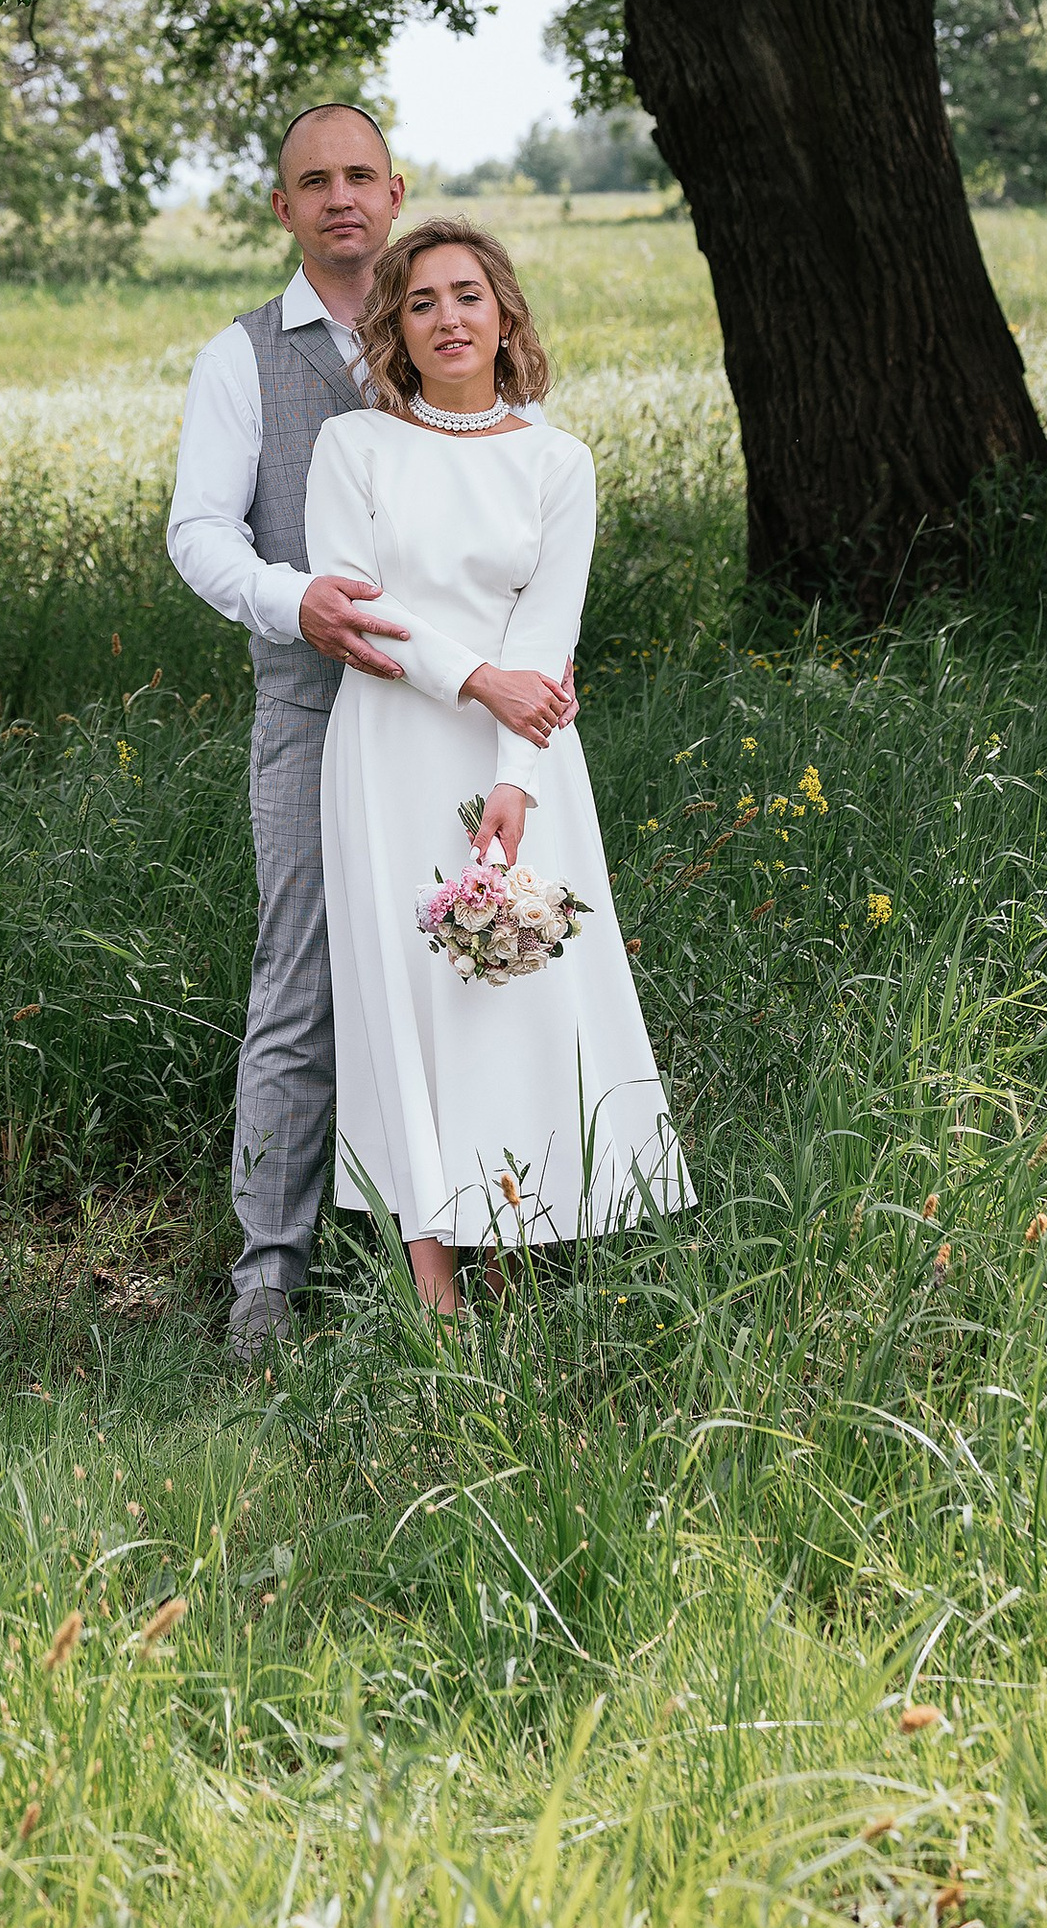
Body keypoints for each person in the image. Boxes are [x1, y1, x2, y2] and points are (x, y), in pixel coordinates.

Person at [306, 216, 689, 1312]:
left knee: (513, 988)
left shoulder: (555, 461)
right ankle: (433, 1284)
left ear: (504, 312)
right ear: (395, 328)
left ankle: (516, 1235)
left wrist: (517, 774)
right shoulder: (357, 449)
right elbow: (363, 621)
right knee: (404, 992)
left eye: (466, 295)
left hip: (524, 761)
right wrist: (478, 681)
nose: (447, 318)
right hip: (389, 751)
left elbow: (549, 635)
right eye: (420, 302)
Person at [167, 102, 415, 1362]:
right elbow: (199, 532)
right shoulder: (243, 357)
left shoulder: (446, 327)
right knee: (301, 987)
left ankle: (451, 1236)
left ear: (396, 189)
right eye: (313, 181)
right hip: (311, 714)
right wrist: (292, 597)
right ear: (283, 209)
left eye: (360, 176)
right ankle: (268, 1271)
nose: (339, 199)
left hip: (445, 721)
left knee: (454, 964)